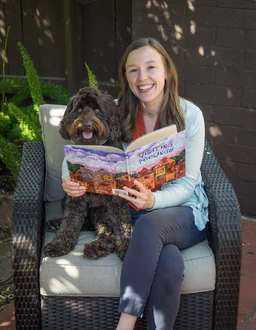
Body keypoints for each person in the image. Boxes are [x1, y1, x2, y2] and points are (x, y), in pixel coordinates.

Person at [62, 38, 209, 330]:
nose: (142, 78)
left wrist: (153, 202)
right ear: (125, 76)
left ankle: (124, 325)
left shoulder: (190, 115)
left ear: (167, 71)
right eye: (133, 70)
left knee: (148, 224)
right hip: (132, 211)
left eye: (151, 67)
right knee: (170, 265)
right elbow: (80, 154)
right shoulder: (113, 110)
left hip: (183, 210)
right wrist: (70, 179)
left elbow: (189, 183)